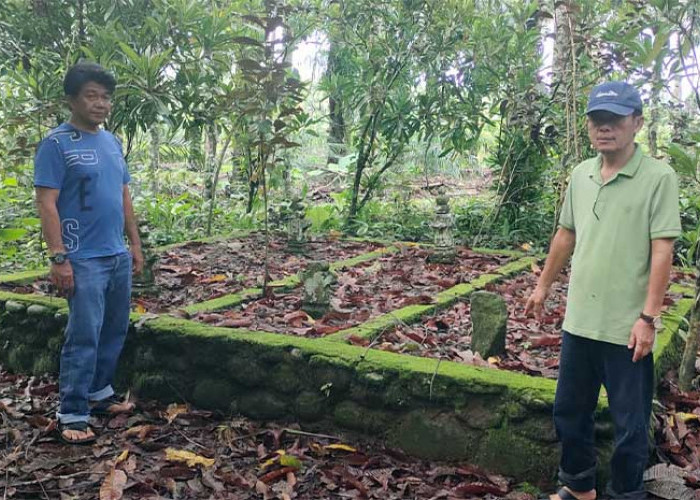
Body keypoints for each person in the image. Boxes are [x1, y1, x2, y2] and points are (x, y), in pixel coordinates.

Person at [525, 81, 682, 500]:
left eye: (614, 119)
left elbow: (662, 249)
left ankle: (625, 495)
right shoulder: (581, 174)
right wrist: (543, 286)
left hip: (626, 327)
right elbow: (566, 234)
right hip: (580, 321)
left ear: (637, 122)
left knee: (629, 426)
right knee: (569, 412)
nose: (604, 128)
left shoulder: (658, 178)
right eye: (597, 119)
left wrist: (648, 317)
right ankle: (578, 487)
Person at [34, 62, 144, 445]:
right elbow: (47, 203)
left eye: (106, 96)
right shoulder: (57, 144)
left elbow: (123, 194)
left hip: (115, 253)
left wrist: (134, 242)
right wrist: (58, 257)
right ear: (72, 100)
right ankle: (73, 412)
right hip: (82, 257)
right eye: (91, 96)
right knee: (83, 334)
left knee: (114, 329)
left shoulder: (111, 142)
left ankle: (100, 394)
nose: (100, 104)